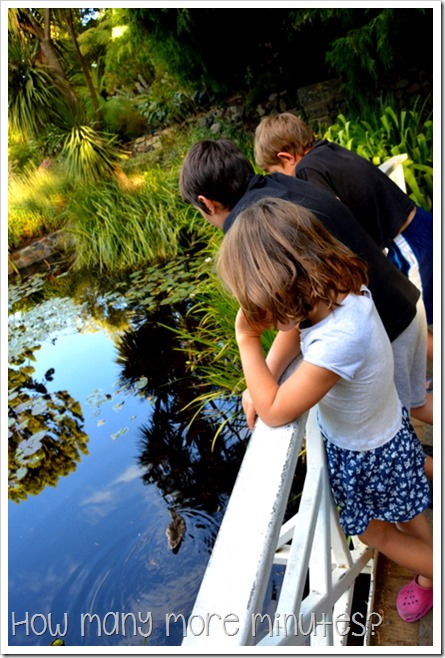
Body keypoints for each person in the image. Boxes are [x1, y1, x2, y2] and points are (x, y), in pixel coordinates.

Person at [216, 196, 433, 623]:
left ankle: (433, 569)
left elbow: (274, 410)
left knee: (375, 532)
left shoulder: (338, 340)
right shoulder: (336, 290)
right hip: (386, 433)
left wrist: (246, 339)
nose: (260, 316)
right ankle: (429, 561)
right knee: (409, 509)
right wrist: (266, 372)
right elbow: (294, 330)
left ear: (284, 291)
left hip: (370, 454)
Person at [179, 139, 433, 430]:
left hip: (387, 324)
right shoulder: (277, 185)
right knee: (416, 402)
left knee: (401, 418)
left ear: (206, 203)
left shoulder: (252, 226)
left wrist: (258, 368)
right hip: (399, 297)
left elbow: (292, 308)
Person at [253, 112, 433, 360]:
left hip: (410, 243)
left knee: (420, 323)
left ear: (286, 158)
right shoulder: (328, 150)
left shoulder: (307, 169)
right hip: (421, 226)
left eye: (276, 172)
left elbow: (332, 216)